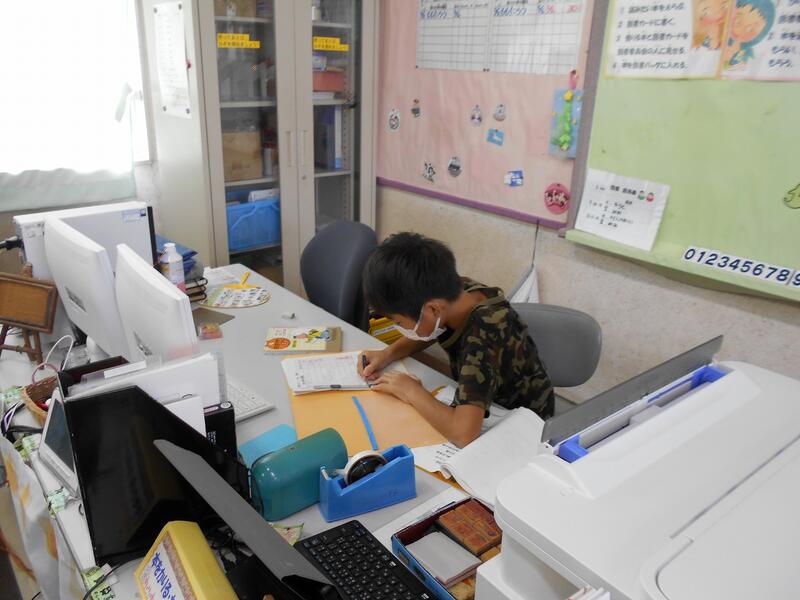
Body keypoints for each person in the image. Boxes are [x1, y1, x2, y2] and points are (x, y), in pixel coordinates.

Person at [358, 232, 554, 448]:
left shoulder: (482, 334)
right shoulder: (456, 292)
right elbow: (432, 328)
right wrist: (387, 354)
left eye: (399, 322)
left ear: (433, 309)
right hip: (488, 399)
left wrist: (410, 390)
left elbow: (463, 434)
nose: (401, 329)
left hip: (526, 424)